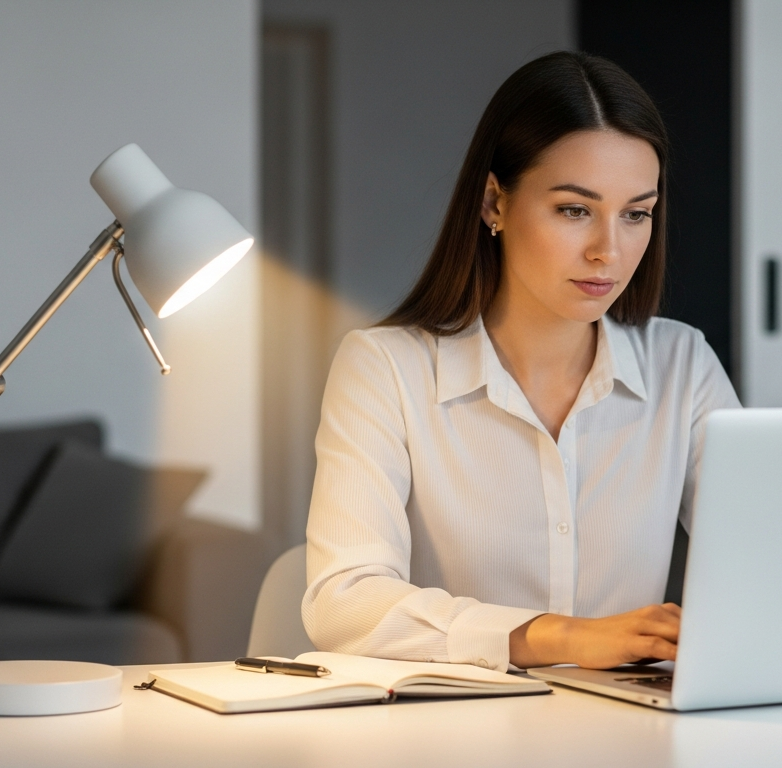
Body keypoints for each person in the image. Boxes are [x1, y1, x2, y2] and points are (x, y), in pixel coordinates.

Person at [303, 51, 740, 672]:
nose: (608, 251)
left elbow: (775, 559)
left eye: (636, 214)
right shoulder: (385, 368)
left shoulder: (683, 363)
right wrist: (557, 637)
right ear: (493, 204)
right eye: (574, 210)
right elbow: (343, 604)